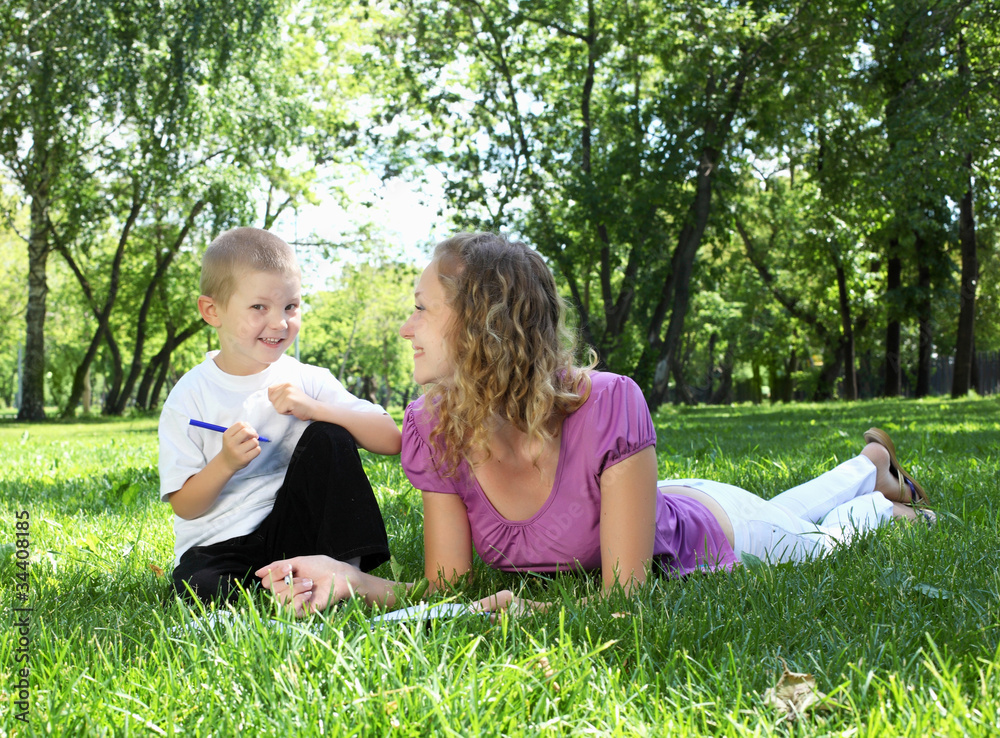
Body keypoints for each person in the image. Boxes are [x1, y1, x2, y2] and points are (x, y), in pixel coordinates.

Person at [256, 232, 933, 616]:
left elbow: (626, 596)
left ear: (485, 321)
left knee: (813, 540)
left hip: (711, 532)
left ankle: (884, 505)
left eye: (421, 308)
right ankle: (869, 467)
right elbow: (448, 588)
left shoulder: (609, 401)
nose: (406, 327)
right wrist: (349, 580)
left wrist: (537, 612)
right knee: (791, 509)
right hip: (655, 499)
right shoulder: (434, 425)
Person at [159, 227, 402, 602]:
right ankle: (283, 591)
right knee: (201, 589)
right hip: (220, 546)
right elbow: (186, 506)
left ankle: (344, 572)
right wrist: (225, 462)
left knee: (330, 433)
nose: (279, 323)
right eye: (259, 307)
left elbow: (390, 439)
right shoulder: (190, 395)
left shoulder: (306, 379)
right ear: (212, 310)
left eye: (291, 307)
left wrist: (316, 409)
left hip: (298, 536)